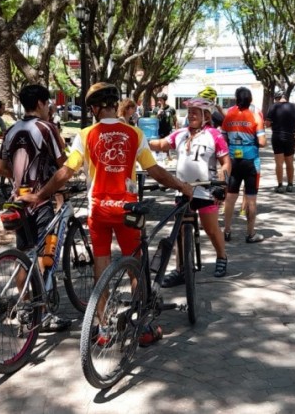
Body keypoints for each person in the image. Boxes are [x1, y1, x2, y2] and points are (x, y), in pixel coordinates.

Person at [18, 82, 193, 347]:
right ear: (114, 105)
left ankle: (104, 328)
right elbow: (155, 170)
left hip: (98, 210)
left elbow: (66, 172)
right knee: (137, 265)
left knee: (101, 266)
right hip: (128, 211)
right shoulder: (134, 133)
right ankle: (143, 326)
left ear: (95, 108)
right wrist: (181, 186)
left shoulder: (86, 134)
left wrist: (40, 195)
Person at [0, 84, 70, 332]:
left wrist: (19, 182)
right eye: (47, 103)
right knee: (44, 256)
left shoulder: (11, 130)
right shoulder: (46, 128)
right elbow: (64, 166)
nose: (49, 108)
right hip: (41, 200)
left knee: (24, 255)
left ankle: (26, 309)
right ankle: (44, 314)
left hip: (18, 200)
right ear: (39, 103)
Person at [149, 97, 232, 280]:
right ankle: (181, 269)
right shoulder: (181, 134)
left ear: (206, 116)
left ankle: (221, 257)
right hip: (183, 189)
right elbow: (162, 144)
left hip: (206, 190)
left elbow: (226, 162)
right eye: (190, 112)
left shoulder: (214, 135)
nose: (191, 115)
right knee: (180, 231)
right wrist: (142, 141)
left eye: (196, 112)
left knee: (210, 228)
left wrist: (223, 182)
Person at [221, 87, 266, 243]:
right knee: (251, 198)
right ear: (250, 100)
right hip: (251, 161)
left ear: (236, 99)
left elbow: (223, 140)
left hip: (233, 161)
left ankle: (226, 231)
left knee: (230, 197)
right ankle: (250, 233)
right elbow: (262, 142)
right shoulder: (255, 117)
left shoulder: (228, 116)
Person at [266, 91, 295, 193]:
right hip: (290, 137)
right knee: (290, 162)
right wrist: (291, 124)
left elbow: (267, 124)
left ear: (276, 98)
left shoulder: (273, 107)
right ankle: (290, 184)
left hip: (277, 136)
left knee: (279, 163)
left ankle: (280, 185)